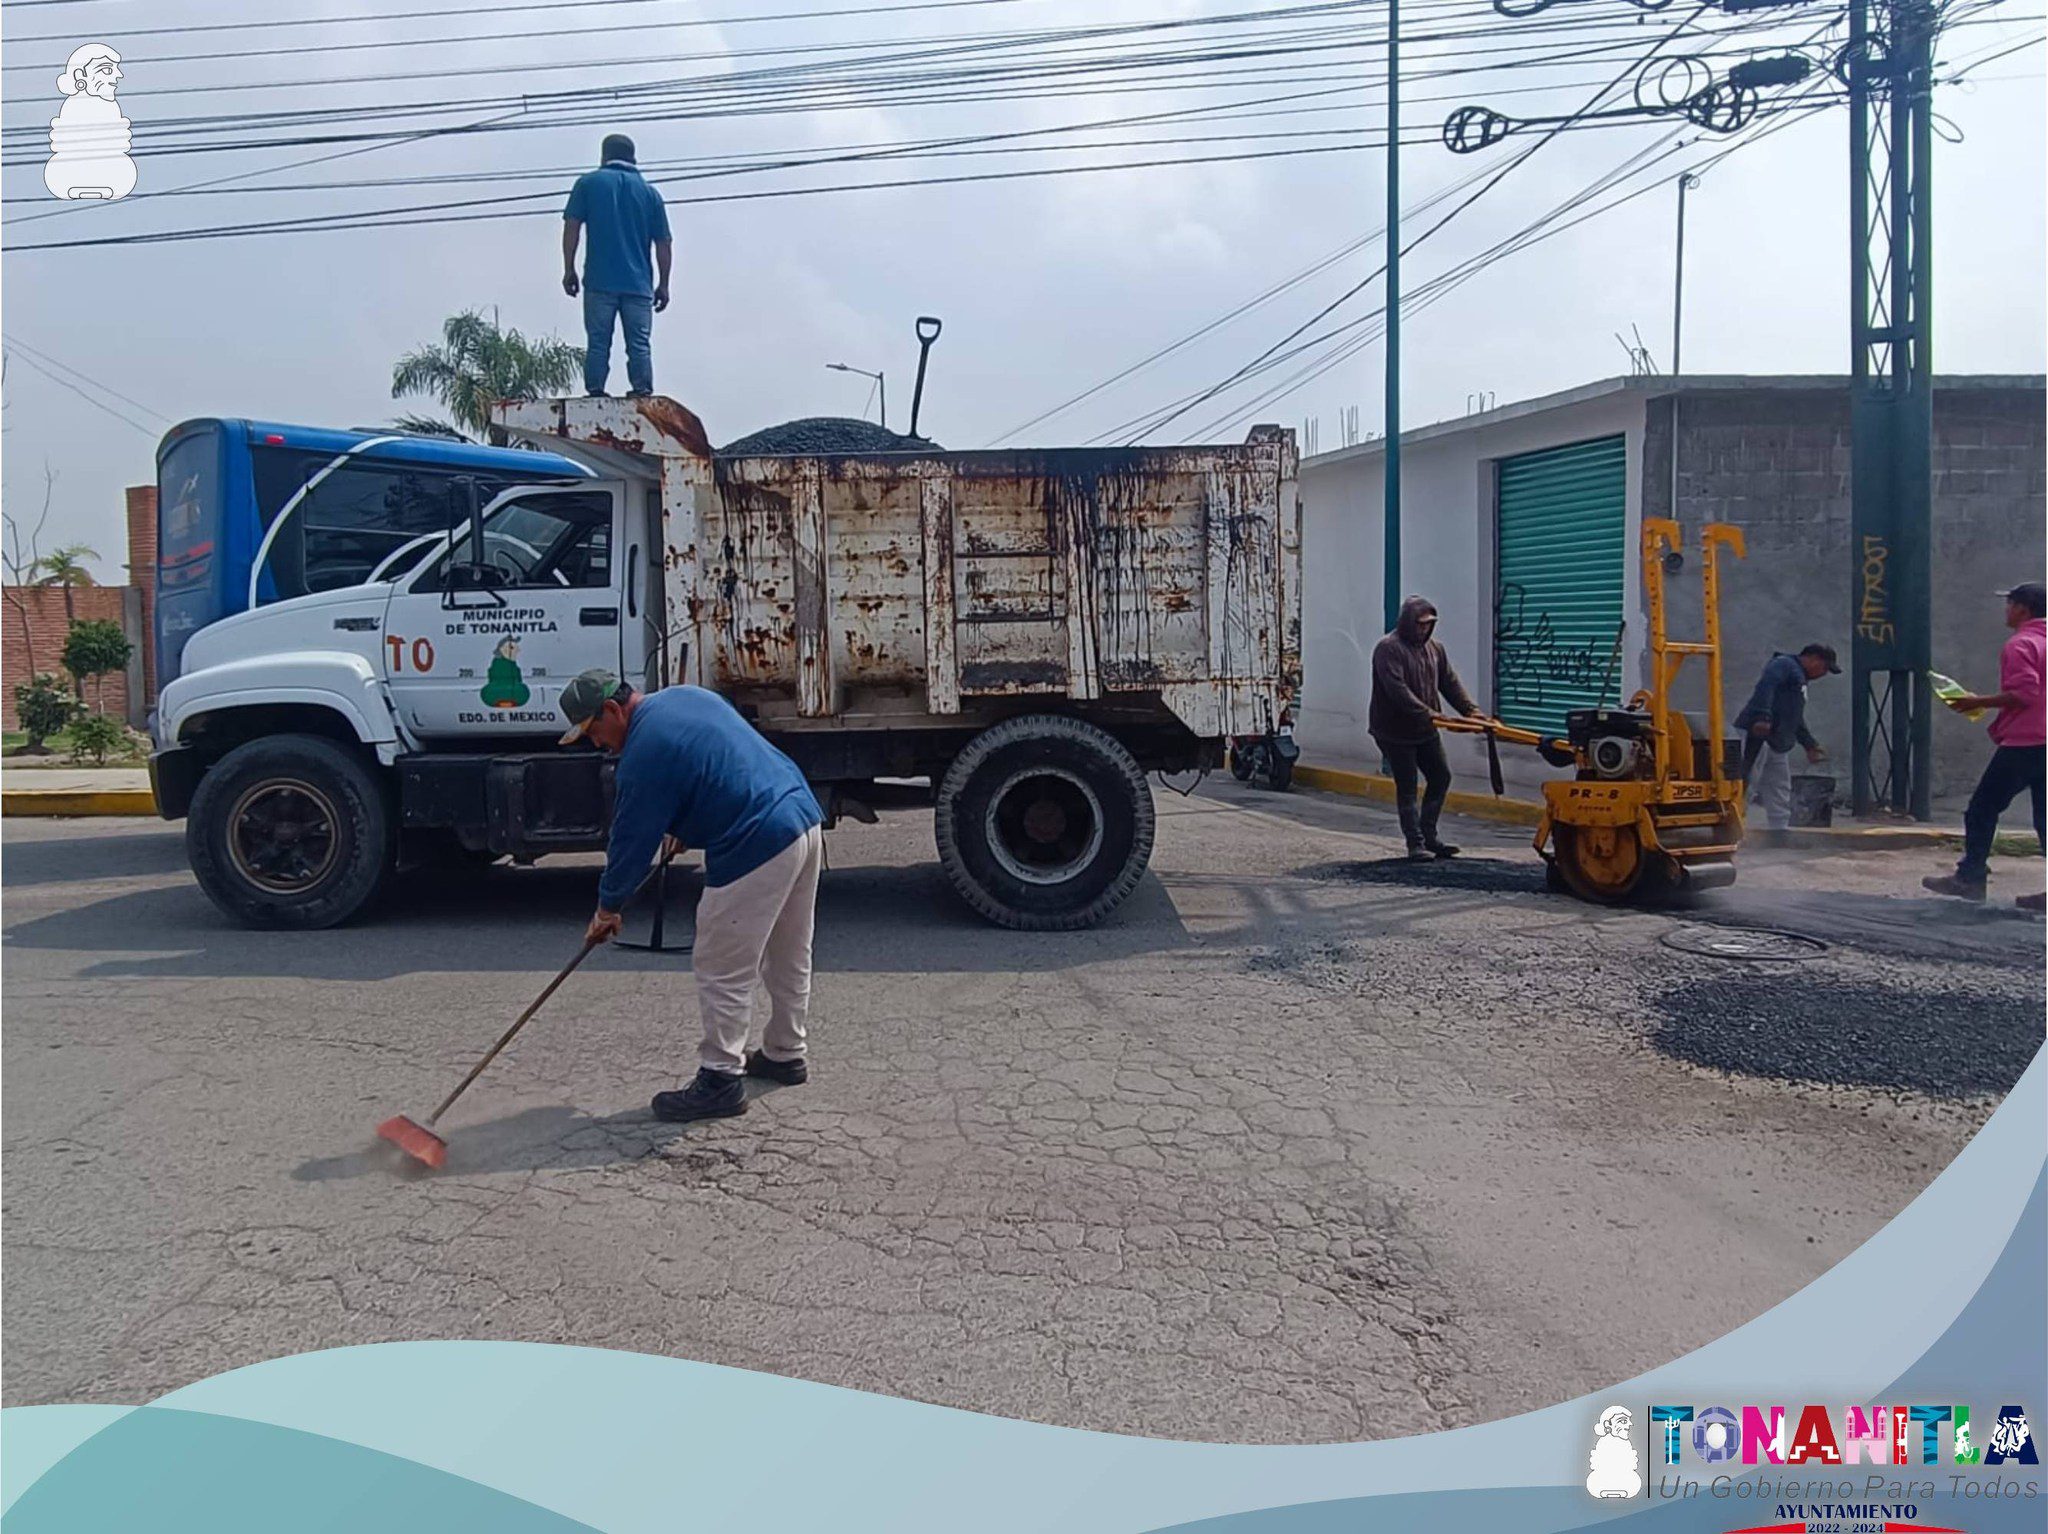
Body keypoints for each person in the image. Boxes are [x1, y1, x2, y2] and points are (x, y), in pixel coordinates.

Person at [561, 670, 825, 1122]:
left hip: (757, 838)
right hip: (801, 818)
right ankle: (785, 1052)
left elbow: (630, 841)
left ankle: (721, 1080)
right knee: (789, 951)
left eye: (593, 732)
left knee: (722, 965)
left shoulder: (642, 752)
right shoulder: (684, 697)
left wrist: (608, 907)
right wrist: (689, 823)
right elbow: (713, 759)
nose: (597, 744)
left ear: (611, 710)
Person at [1922, 582, 2046, 910]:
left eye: (2010, 604)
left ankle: (1970, 878)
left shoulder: (2021, 644)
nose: (2006, 610)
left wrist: (1976, 702)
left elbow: (2025, 694)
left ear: (2023, 609)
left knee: (1981, 809)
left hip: (2026, 743)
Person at [1370, 595, 1483, 860]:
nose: (1424, 629)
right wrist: (1432, 714)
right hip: (1394, 730)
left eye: (1428, 625)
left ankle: (1430, 835)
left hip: (1425, 729)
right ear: (1408, 622)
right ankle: (1415, 843)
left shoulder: (1435, 649)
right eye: (1420, 624)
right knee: (1407, 785)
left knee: (1441, 776)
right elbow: (1398, 691)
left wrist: (1471, 711)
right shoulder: (1388, 648)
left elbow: (1450, 683)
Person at [562, 134, 673, 399]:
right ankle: (642, 390)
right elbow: (664, 243)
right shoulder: (650, 193)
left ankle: (596, 391)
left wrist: (569, 268)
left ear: (604, 156)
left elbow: (572, 227)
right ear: (633, 157)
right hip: (638, 285)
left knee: (598, 341)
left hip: (600, 281)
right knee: (639, 344)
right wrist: (664, 284)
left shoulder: (588, 184)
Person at [1732, 643, 1838, 834]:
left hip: (1777, 740)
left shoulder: (1800, 679)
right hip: (1758, 735)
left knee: (1779, 784)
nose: (1823, 674)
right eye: (1824, 668)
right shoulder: (1784, 665)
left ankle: (1779, 829)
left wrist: (1809, 744)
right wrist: (1762, 717)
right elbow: (1766, 686)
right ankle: (1734, 827)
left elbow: (1794, 717)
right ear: (1813, 658)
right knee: (1747, 780)